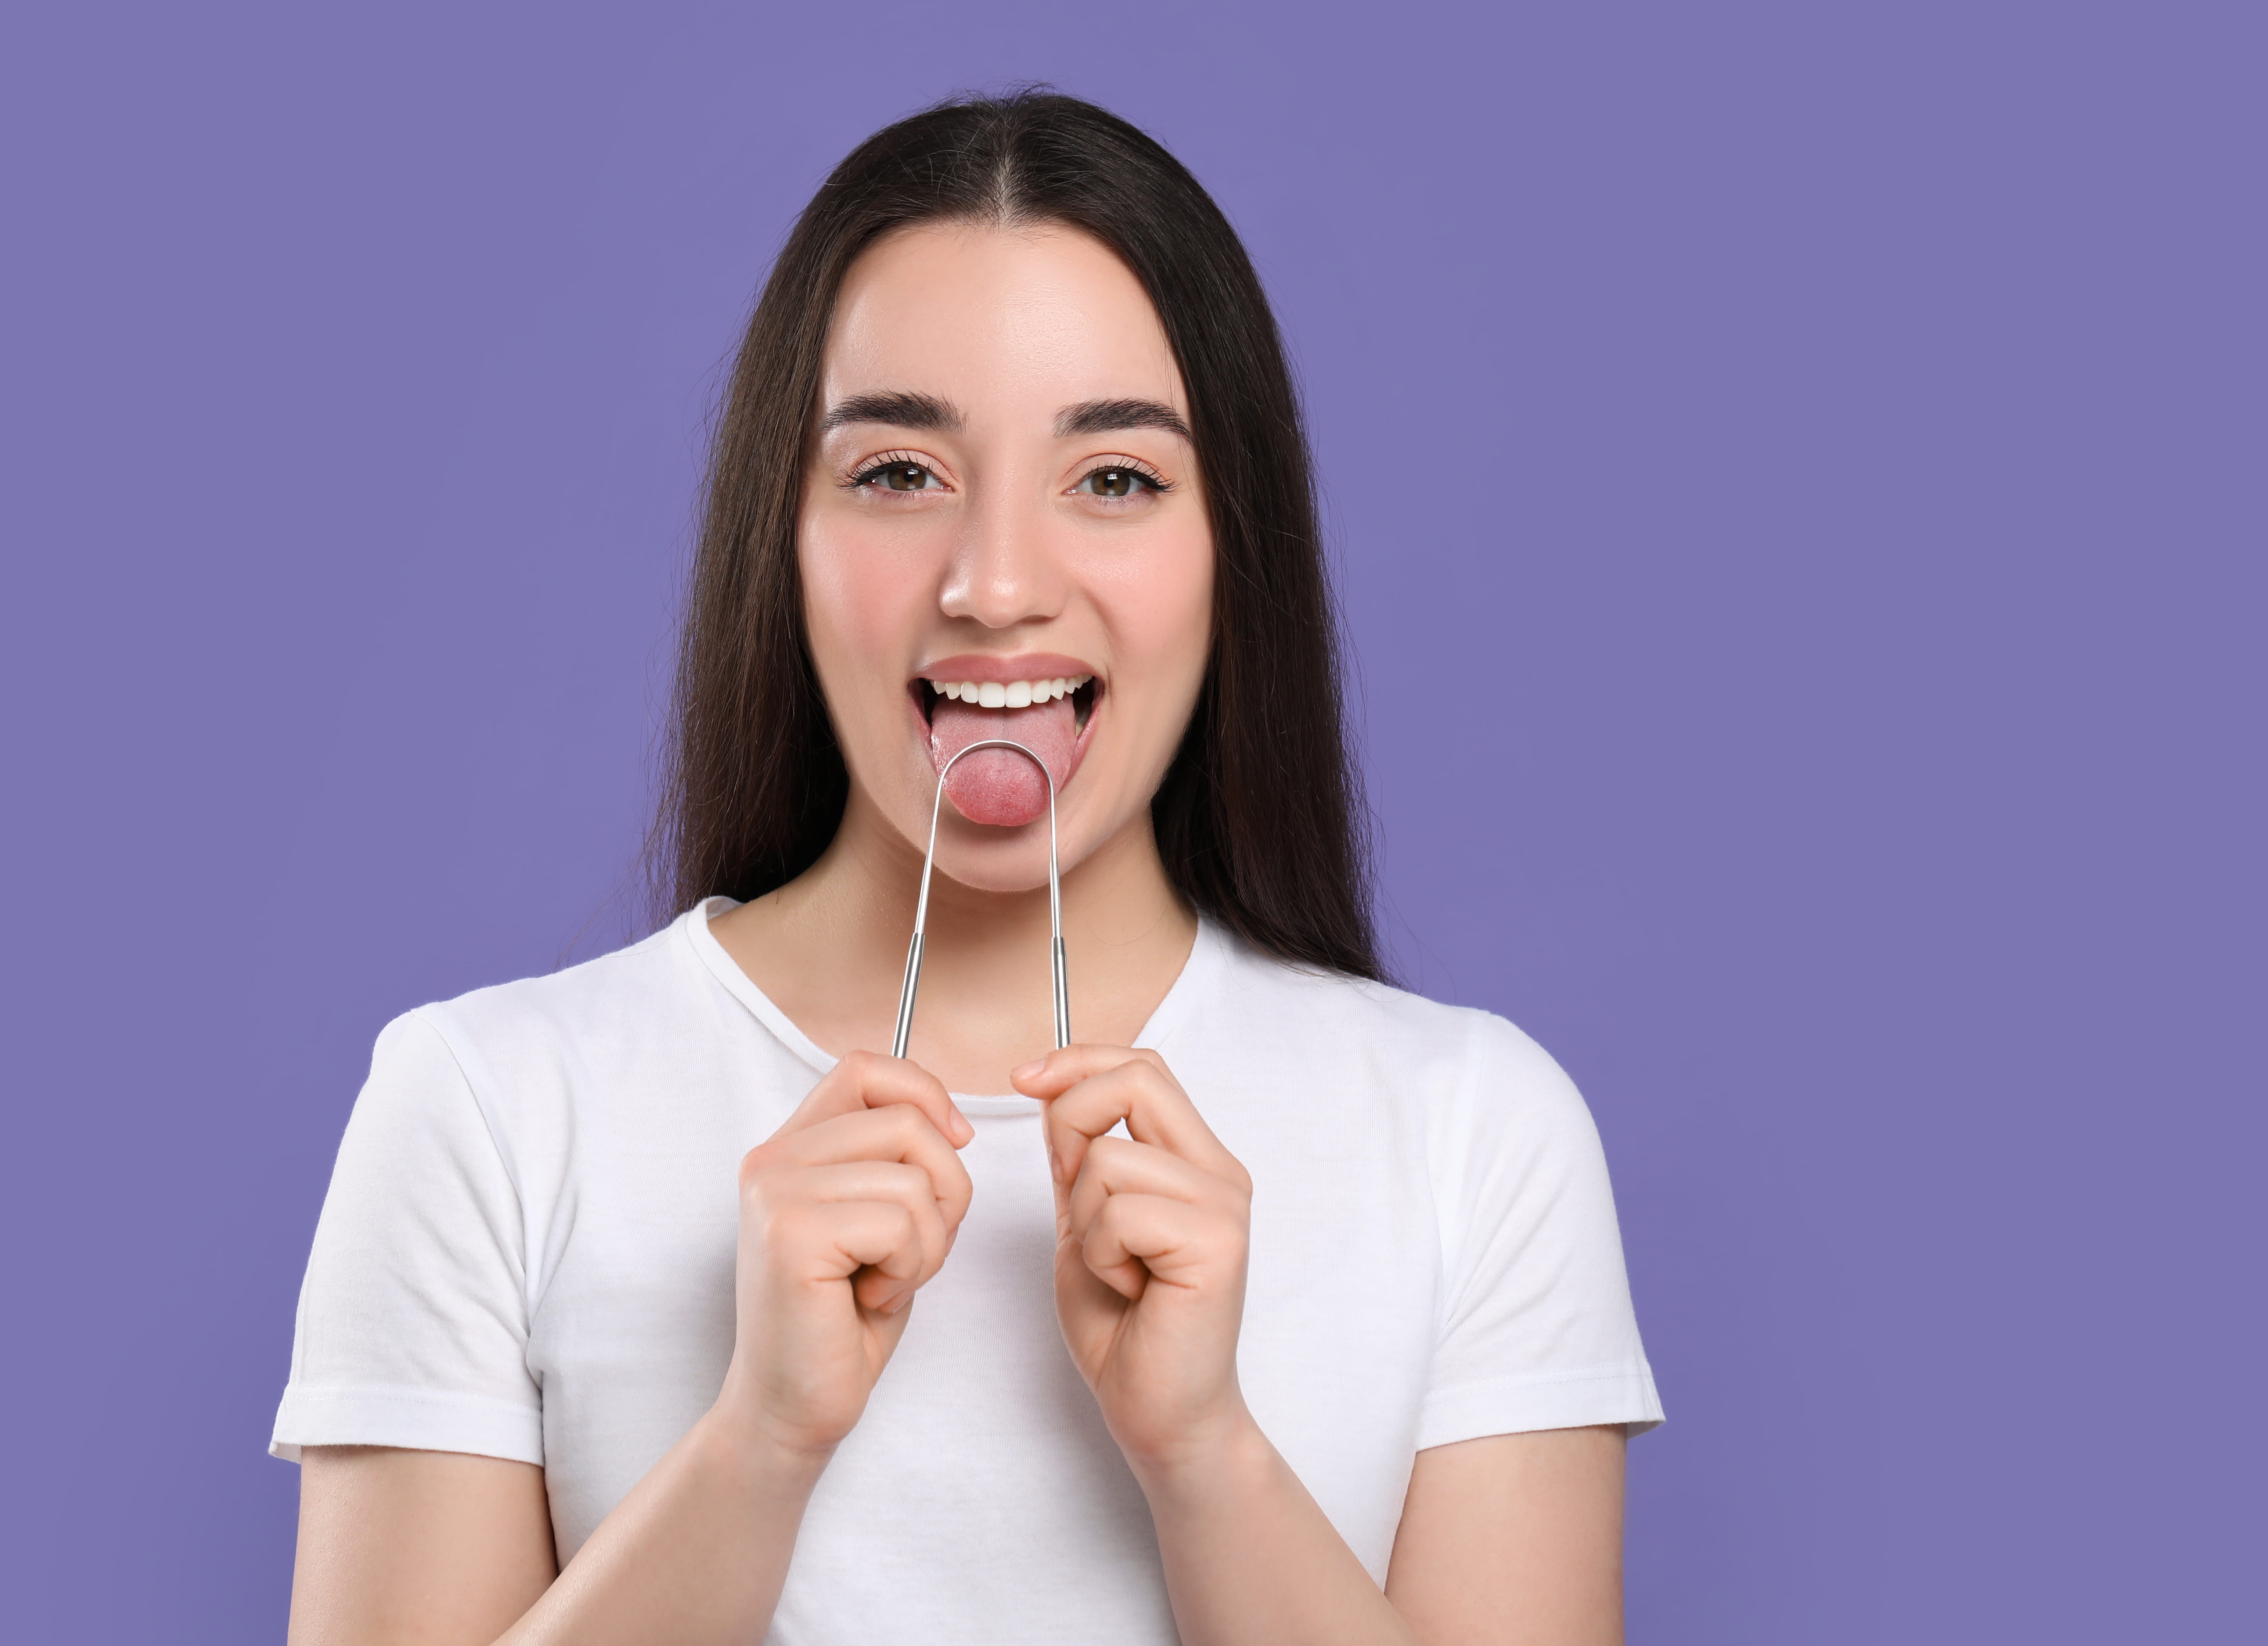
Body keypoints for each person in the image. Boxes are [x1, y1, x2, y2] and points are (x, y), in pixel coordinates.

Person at [273, 90, 1662, 1646]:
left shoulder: (1478, 1136)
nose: (997, 584)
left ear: (1232, 549)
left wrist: (1208, 1458)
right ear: (780, 541)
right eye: (896, 473)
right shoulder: (483, 1107)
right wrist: (757, 1445)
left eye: (1117, 478)